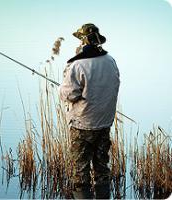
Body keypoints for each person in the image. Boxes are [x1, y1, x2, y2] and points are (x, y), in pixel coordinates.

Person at [59, 23, 120, 199]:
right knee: (102, 169)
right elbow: (115, 85)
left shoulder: (77, 65)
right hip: (104, 123)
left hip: (82, 124)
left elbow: (70, 94)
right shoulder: (111, 61)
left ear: (83, 41)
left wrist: (60, 89)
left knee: (81, 172)